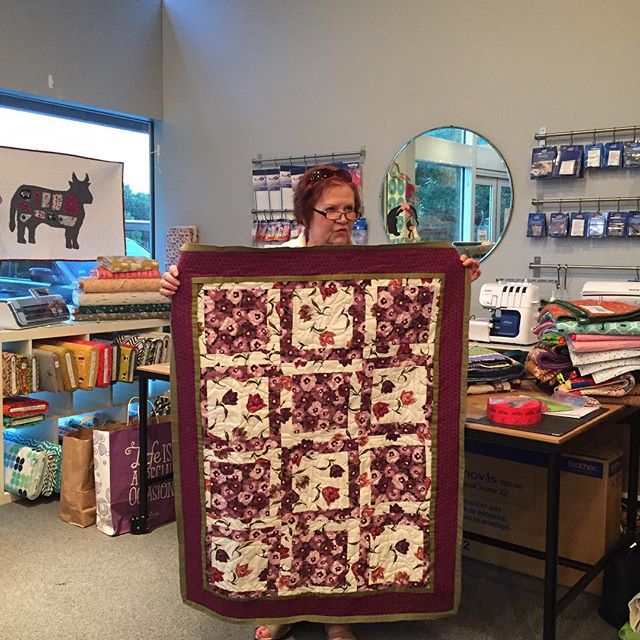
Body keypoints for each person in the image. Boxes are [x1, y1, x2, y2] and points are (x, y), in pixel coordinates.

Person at [159, 165, 480, 640]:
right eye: (332, 210)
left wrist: (457, 276)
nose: (343, 219)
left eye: (350, 210)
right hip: (283, 421)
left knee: (344, 515)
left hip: (348, 418)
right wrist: (174, 284)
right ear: (305, 214)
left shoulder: (374, 270)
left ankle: (338, 614)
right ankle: (280, 607)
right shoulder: (272, 266)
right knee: (281, 511)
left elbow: (412, 323)